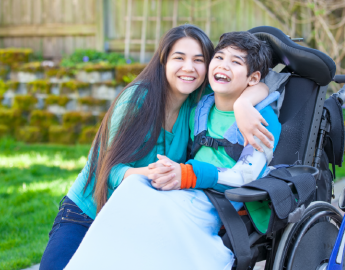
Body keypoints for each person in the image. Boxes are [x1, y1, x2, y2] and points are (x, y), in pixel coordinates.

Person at [39, 25, 273, 270]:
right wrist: (159, 174)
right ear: (163, 61)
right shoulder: (137, 99)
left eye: (198, 60)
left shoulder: (199, 104)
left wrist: (244, 104)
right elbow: (110, 172)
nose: (189, 68)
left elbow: (257, 84)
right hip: (87, 213)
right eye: (179, 58)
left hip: (137, 218)